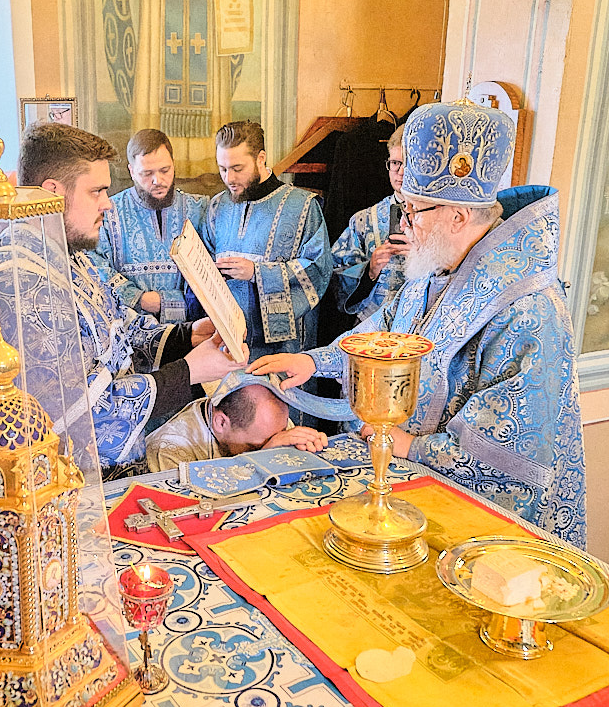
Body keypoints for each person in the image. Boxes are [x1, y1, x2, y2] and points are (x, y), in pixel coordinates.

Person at [251, 100, 587, 547]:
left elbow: (512, 448)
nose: (404, 224)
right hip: (407, 489)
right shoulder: (440, 265)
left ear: (457, 216)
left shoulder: (529, 308)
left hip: (485, 528)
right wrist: (315, 362)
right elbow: (387, 330)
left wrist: (409, 446)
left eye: (412, 211)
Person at [0, 123, 244, 472]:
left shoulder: (65, 255)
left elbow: (116, 328)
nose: (108, 205)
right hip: (69, 482)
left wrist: (185, 337)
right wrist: (188, 372)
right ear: (52, 194)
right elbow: (83, 415)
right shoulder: (22, 286)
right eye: (96, 191)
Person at [202, 120, 332, 356]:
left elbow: (318, 270)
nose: (229, 178)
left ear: (260, 159)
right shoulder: (217, 207)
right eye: (223, 169)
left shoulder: (303, 207)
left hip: (283, 350)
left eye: (237, 168)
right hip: (228, 347)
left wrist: (257, 272)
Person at [91, 128, 208, 323]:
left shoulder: (199, 209)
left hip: (193, 329)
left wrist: (167, 302)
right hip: (129, 329)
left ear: (173, 164)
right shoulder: (109, 212)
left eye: (165, 170)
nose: (157, 180)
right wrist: (139, 298)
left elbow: (211, 272)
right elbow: (95, 266)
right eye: (147, 173)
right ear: (132, 171)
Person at [146, 371, 330, 471]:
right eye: (257, 445)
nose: (276, 441)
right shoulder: (168, 451)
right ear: (221, 423)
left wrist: (306, 446)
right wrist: (263, 458)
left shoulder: (266, 422)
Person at [329, 125, 409, 324]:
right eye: (395, 163)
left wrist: (424, 257)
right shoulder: (363, 220)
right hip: (371, 325)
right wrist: (369, 271)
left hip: (420, 325)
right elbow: (336, 274)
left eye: (408, 164)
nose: (400, 172)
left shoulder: (440, 220)